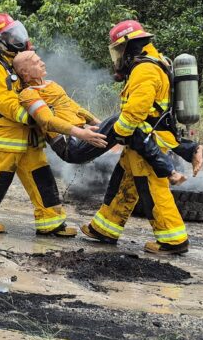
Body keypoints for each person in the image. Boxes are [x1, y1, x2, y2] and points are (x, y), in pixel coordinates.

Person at [81, 20, 194, 255]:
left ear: (129, 46)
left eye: (119, 50)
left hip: (146, 140)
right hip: (141, 138)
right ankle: (104, 228)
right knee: (124, 182)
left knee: (152, 189)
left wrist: (118, 133)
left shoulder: (145, 69)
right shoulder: (154, 62)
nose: (118, 57)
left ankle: (173, 240)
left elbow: (135, 112)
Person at [12, 51, 202, 185]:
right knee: (125, 120)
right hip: (71, 146)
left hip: (81, 136)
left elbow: (75, 108)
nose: (42, 63)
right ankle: (175, 164)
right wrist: (82, 133)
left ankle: (182, 158)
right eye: (36, 63)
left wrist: (98, 124)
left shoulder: (52, 85)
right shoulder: (27, 94)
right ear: (25, 73)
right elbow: (47, 121)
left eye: (40, 59)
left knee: (132, 125)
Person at [0, 13, 77, 237]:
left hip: (30, 138)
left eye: (17, 34)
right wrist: (31, 116)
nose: (19, 39)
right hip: (6, 139)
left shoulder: (15, 65)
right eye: (11, 35)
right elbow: (4, 102)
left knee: (42, 177)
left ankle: (51, 221)